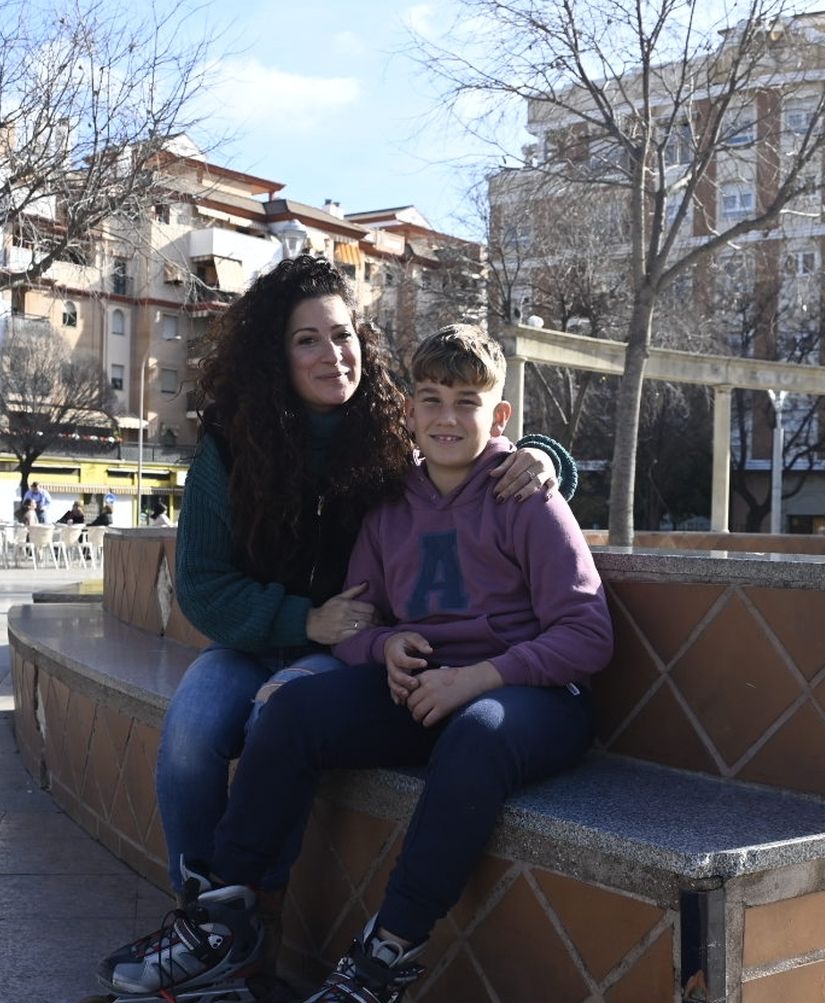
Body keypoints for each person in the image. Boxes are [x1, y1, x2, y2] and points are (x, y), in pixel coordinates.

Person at [100, 323, 612, 1003]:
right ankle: (227, 917)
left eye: (467, 402)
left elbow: (587, 636)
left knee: (475, 735)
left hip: (528, 696)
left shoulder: (524, 497)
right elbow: (356, 625)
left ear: (499, 415)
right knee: (294, 710)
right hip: (423, 688)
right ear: (408, 411)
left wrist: (482, 676)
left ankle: (382, 959)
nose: (447, 417)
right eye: (431, 399)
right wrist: (386, 649)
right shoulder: (389, 505)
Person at [148, 255, 574, 910]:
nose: (331, 355)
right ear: (276, 355)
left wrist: (543, 455)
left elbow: (466, 441)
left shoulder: (386, 430)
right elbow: (201, 585)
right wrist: (303, 618)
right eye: (307, 340)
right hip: (253, 643)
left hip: (343, 655)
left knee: (274, 720)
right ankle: (199, 915)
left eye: (342, 335)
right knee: (188, 736)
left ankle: (257, 916)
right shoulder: (230, 447)